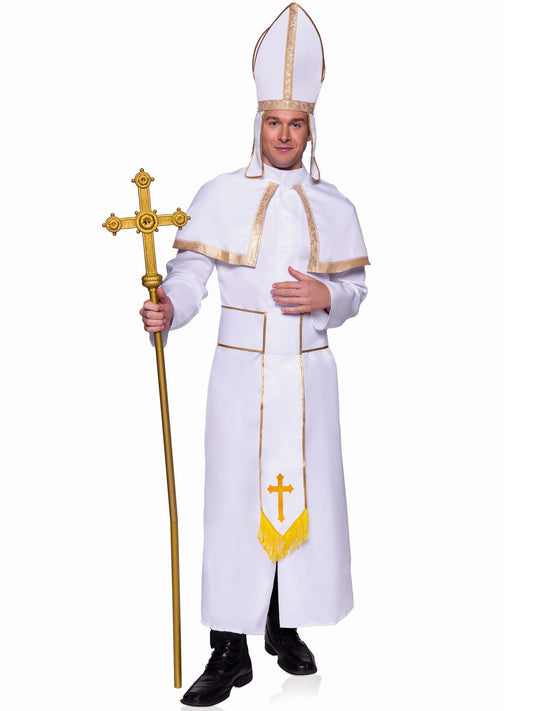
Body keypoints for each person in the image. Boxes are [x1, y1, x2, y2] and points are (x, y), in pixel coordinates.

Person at [140, 4, 369, 706]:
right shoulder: (220, 195)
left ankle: (284, 625)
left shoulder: (334, 204)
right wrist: (169, 307)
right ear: (258, 123)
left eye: (296, 123)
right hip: (240, 374)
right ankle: (227, 648)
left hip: (309, 374)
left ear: (310, 128)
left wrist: (326, 297)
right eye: (274, 122)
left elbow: (355, 290)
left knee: (304, 497)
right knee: (235, 501)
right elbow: (190, 274)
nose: (284, 135)